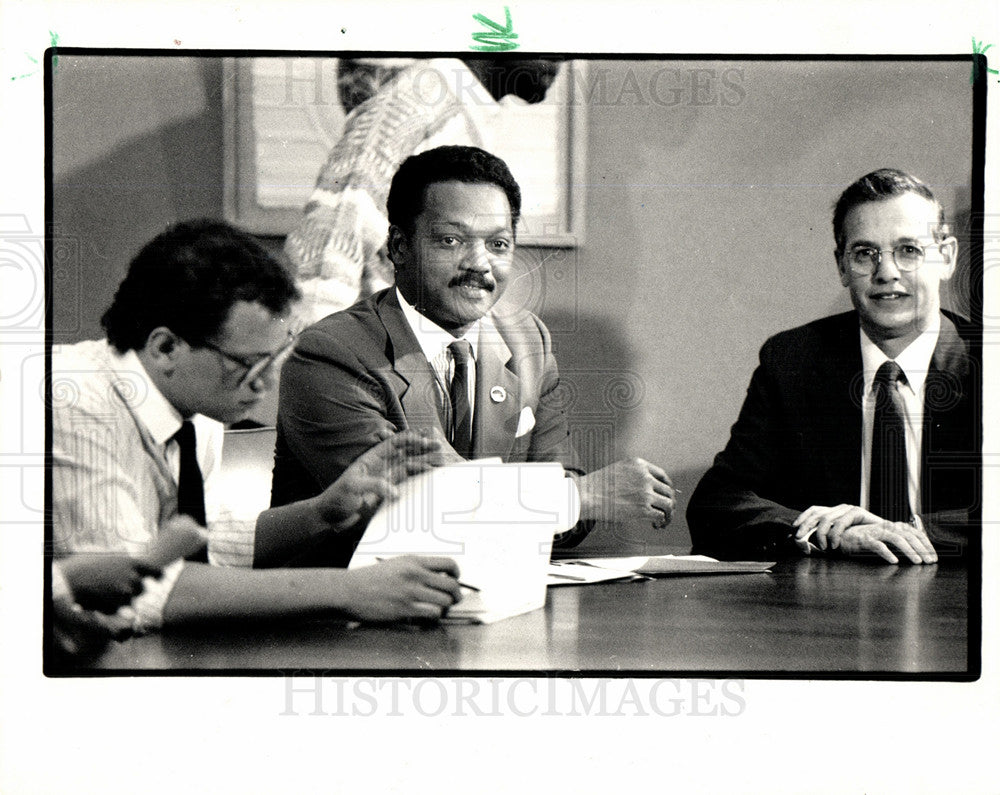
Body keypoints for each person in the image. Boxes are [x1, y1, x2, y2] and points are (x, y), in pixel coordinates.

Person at [50, 219, 463, 645]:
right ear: (165, 347)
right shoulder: (74, 402)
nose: (265, 385)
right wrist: (350, 589)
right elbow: (131, 591)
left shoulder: (197, 405)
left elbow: (202, 543)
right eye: (250, 365)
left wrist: (322, 512)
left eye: (274, 359)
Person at [272, 146, 676, 567]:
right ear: (398, 246)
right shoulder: (331, 354)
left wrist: (567, 497)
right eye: (451, 240)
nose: (479, 263)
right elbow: (412, 510)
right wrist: (582, 497)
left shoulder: (528, 341)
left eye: (498, 244)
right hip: (339, 612)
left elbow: (567, 509)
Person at [687, 168, 978, 564]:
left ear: (946, 257)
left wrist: (904, 534)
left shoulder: (987, 364)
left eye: (909, 250)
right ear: (842, 266)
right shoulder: (792, 361)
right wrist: (830, 535)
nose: (886, 272)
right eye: (865, 254)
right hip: (828, 609)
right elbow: (716, 503)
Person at [283, 57, 562, 323]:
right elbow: (331, 236)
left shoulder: (470, 110)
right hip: (366, 355)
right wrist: (317, 357)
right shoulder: (420, 99)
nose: (565, 55)